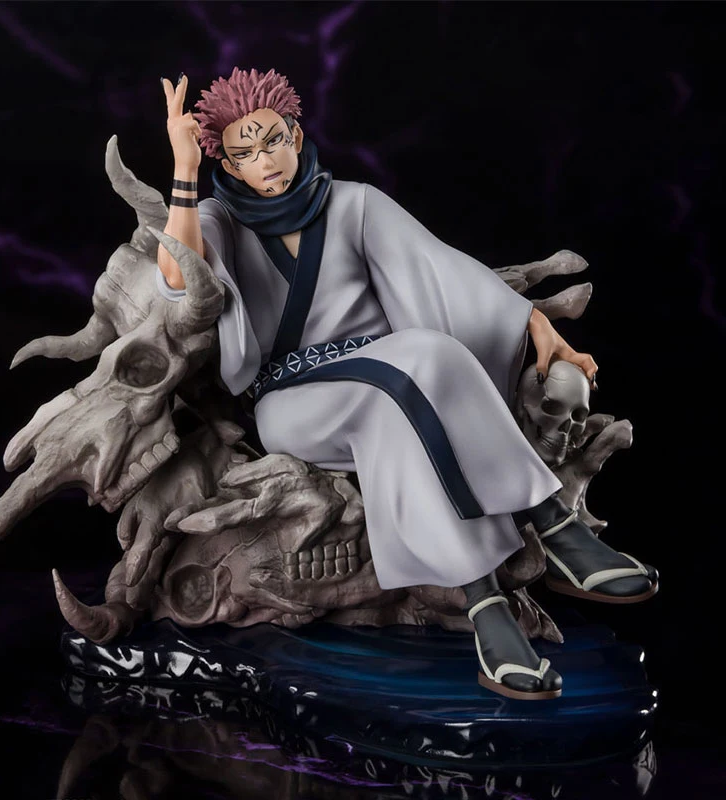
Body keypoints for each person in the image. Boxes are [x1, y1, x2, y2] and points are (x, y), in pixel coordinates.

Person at [155, 67, 657, 700]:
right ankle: (555, 526)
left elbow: (443, 270)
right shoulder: (218, 220)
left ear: (296, 134)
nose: (266, 160)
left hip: (393, 382)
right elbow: (178, 278)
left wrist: (535, 322)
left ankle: (487, 611)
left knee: (408, 395)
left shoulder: (353, 204)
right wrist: (184, 167)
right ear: (228, 164)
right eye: (245, 152)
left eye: (273, 139)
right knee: (420, 360)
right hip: (294, 402)